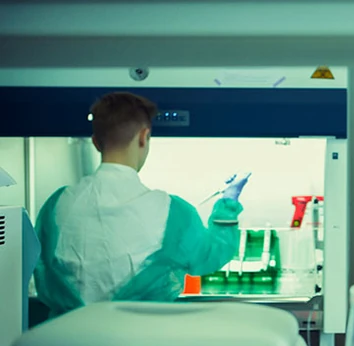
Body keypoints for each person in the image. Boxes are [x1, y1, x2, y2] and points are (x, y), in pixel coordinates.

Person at [34, 92, 250, 319]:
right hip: (143, 340)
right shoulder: (173, 213)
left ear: (96, 142)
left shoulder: (56, 205)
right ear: (144, 137)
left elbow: (39, 267)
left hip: (64, 340)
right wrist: (229, 201)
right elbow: (211, 254)